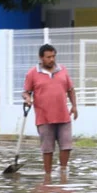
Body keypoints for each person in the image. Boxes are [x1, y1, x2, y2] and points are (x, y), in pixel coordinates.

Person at [22, 44, 78, 175]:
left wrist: (74, 106)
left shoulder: (62, 70)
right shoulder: (32, 73)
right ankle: (47, 176)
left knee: (66, 146)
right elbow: (26, 92)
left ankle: (63, 171)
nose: (51, 59)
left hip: (63, 115)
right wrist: (28, 99)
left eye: (53, 56)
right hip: (44, 117)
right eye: (48, 57)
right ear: (41, 58)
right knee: (47, 149)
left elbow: (70, 89)